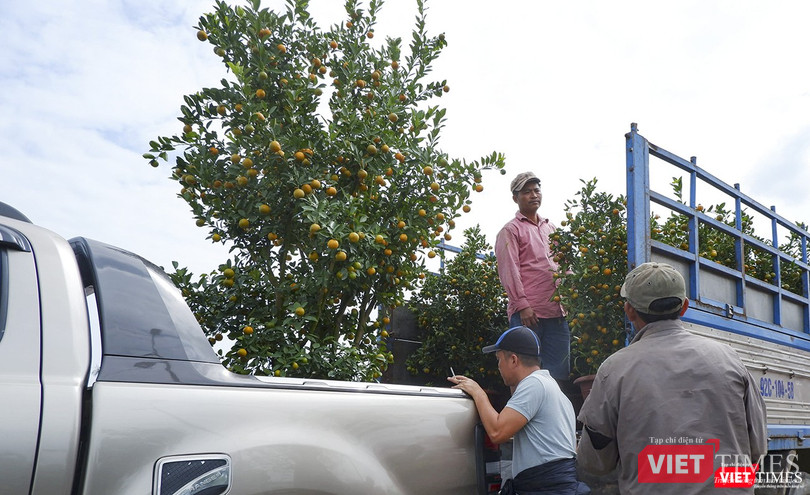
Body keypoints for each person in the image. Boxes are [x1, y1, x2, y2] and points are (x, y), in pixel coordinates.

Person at [577, 262, 768, 494]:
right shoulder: (729, 358)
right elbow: (757, 446)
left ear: (629, 310)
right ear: (684, 306)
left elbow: (595, 462)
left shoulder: (614, 369)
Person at [449, 326, 590, 494]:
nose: (498, 366)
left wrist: (478, 393)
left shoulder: (533, 384)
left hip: (547, 489)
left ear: (514, 360)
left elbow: (497, 432)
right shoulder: (554, 389)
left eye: (499, 359)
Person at [495, 172, 569, 380]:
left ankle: (551, 413)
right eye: (526, 192)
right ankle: (521, 413)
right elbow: (509, 270)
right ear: (515, 198)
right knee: (524, 374)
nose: (533, 195)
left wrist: (571, 297)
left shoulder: (551, 228)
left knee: (558, 375)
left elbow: (563, 264)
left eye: (536, 190)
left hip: (557, 312)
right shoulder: (510, 230)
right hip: (529, 315)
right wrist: (523, 305)